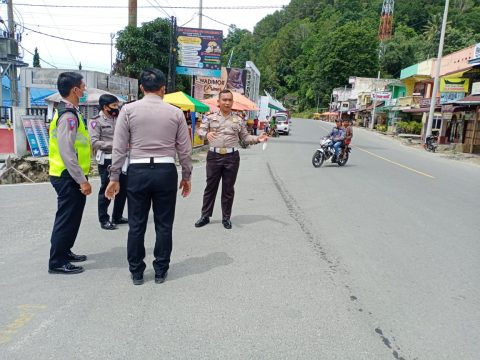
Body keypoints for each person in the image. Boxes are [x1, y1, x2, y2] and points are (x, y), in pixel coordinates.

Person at [105, 68, 192, 286]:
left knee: (136, 224)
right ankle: (161, 270)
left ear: (142, 88)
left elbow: (119, 146)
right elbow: (185, 149)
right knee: (164, 224)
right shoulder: (175, 112)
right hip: (165, 172)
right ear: (164, 88)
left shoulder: (127, 110)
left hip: (137, 172)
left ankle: (136, 272)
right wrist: (186, 175)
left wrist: (114, 176)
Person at [195, 89, 268, 230]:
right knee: (210, 187)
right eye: (224, 100)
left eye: (230, 100)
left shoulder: (238, 120)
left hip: (231, 157)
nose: (227, 102)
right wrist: (206, 134)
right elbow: (200, 131)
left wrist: (258, 139)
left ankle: (226, 217)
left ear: (232, 102)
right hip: (214, 156)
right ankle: (205, 216)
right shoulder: (209, 117)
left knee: (228, 189)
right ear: (218, 102)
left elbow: (245, 138)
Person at [48, 72, 91, 275]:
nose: (84, 90)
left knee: (73, 216)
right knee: (66, 218)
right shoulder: (68, 116)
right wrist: (82, 181)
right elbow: (67, 152)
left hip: (69, 174)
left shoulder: (70, 111)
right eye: (82, 86)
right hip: (67, 175)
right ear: (74, 89)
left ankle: (65, 251)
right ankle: (57, 260)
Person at [89, 94, 128, 230]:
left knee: (123, 188)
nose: (116, 108)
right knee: (106, 188)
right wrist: (116, 145)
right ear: (105, 107)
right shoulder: (96, 121)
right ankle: (104, 219)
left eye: (117, 106)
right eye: (113, 106)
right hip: (107, 159)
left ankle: (117, 216)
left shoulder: (119, 118)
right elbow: (94, 142)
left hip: (122, 158)